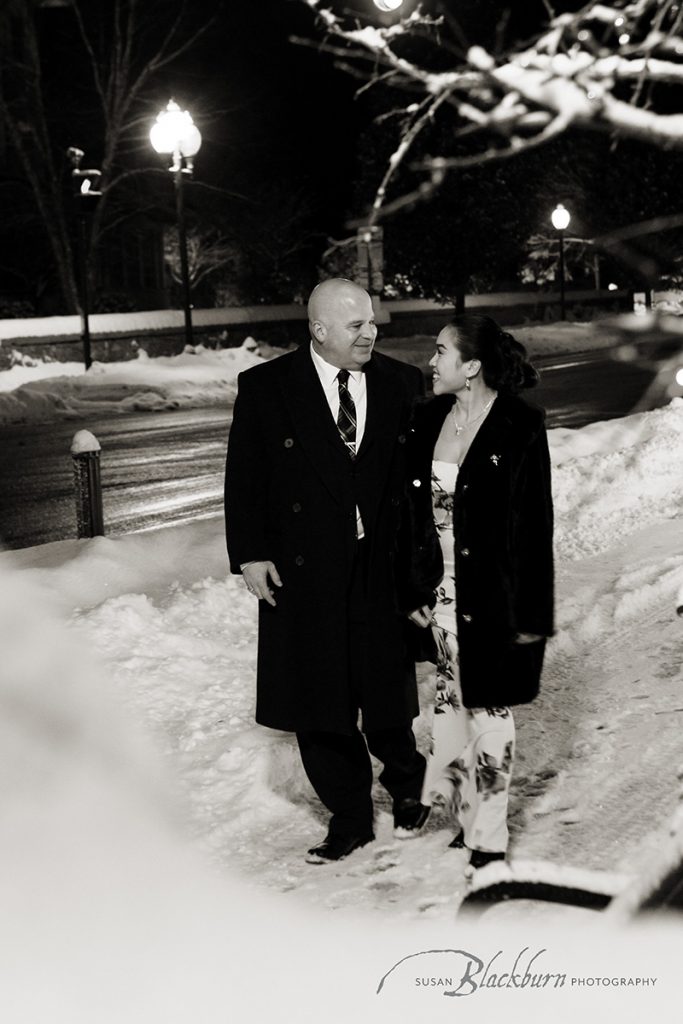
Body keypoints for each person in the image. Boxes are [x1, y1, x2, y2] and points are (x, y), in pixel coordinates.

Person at [224, 279, 437, 864]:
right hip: (303, 569)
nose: (370, 333)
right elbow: (245, 478)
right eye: (355, 325)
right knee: (320, 696)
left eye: (372, 322)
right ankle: (349, 816)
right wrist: (250, 553)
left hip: (379, 563)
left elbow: (413, 489)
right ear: (318, 329)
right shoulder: (267, 388)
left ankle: (409, 788)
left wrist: (421, 567)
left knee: (387, 688)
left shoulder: (400, 382)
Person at [407, 313, 554, 869]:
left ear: (471, 366)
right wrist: (412, 589)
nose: (432, 361)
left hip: (494, 594)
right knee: (450, 703)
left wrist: (531, 614)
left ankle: (488, 838)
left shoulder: (520, 424)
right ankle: (466, 814)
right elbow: (408, 518)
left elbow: (535, 526)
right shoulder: (427, 420)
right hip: (438, 593)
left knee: (490, 710)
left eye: (441, 351)